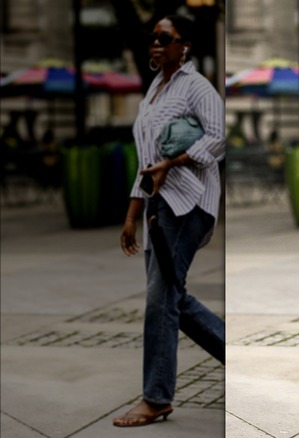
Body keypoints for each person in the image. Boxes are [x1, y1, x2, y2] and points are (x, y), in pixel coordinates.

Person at [113, 15, 225, 427]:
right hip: (160, 207)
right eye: (153, 39)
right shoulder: (155, 90)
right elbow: (147, 163)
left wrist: (175, 161)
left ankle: (156, 397)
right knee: (172, 296)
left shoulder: (197, 87)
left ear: (185, 45)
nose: (156, 45)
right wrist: (131, 215)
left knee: (161, 300)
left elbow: (220, 137)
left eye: (166, 38)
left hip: (190, 202)